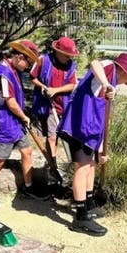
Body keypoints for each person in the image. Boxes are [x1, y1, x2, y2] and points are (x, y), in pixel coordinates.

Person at [57, 52, 127, 236]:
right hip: (79, 126)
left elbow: (105, 116)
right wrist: (105, 83)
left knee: (92, 164)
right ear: (124, 71)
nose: (126, 81)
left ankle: (87, 203)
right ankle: (80, 217)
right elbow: (94, 63)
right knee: (83, 166)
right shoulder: (109, 68)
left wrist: (102, 148)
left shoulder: (113, 86)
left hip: (93, 129)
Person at [0, 39, 50, 210]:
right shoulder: (3, 72)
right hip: (2, 123)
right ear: (19, 57)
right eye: (28, 62)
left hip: (15, 123)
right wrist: (24, 117)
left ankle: (28, 187)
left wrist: (22, 118)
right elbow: (10, 102)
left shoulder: (13, 69)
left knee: (27, 151)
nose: (28, 67)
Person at [29, 36, 78, 185]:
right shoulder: (44, 60)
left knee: (57, 137)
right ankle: (52, 168)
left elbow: (72, 85)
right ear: (57, 52)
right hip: (45, 105)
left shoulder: (70, 66)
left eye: (70, 55)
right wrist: (44, 88)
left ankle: (60, 167)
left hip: (61, 106)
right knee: (49, 136)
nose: (68, 58)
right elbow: (32, 78)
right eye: (66, 55)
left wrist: (55, 90)